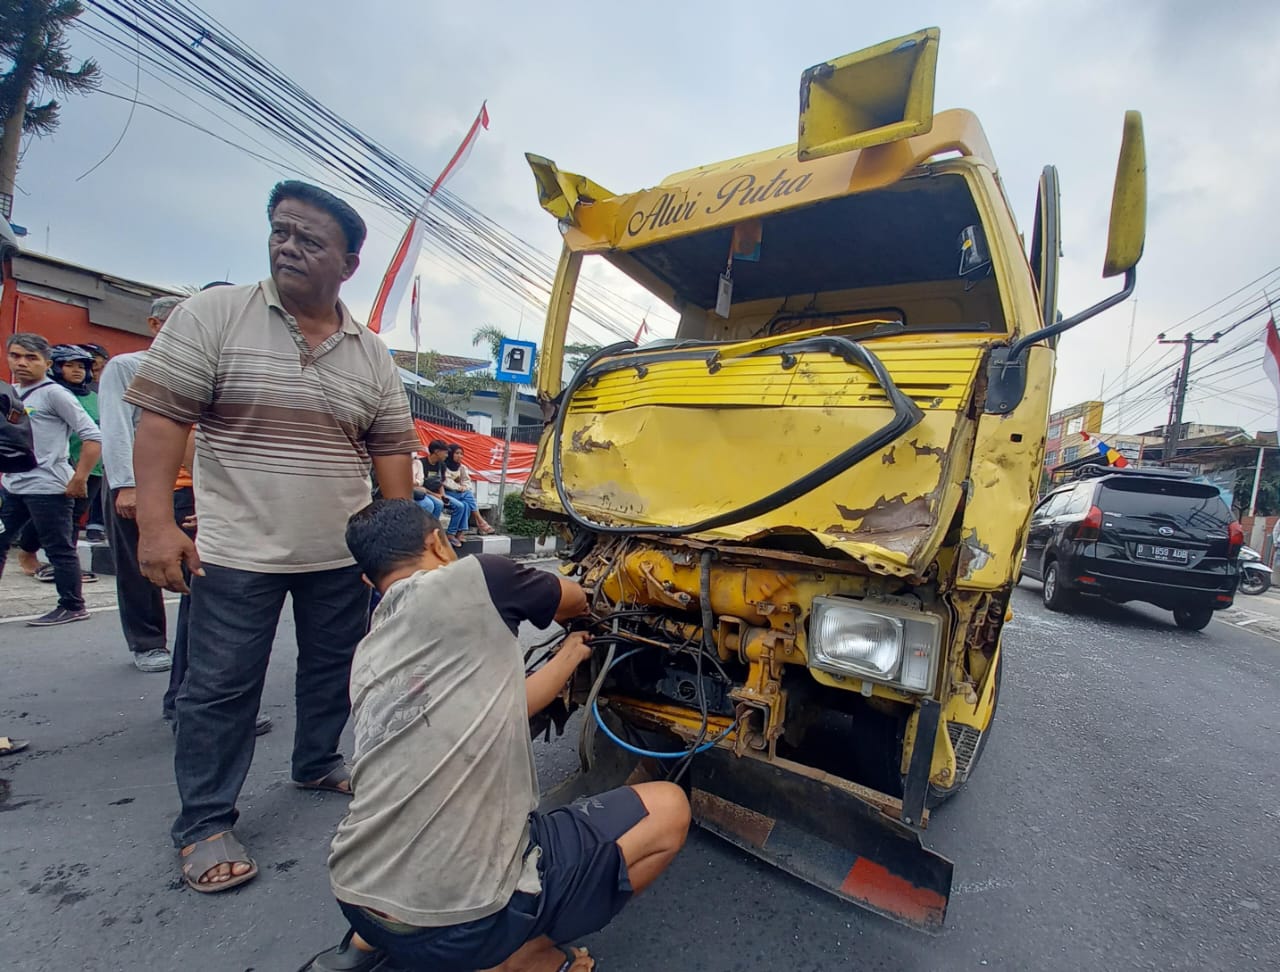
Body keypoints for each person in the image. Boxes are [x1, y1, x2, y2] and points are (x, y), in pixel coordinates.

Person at [125, 180, 420, 893]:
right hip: (236, 550)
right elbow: (164, 419)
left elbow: (390, 460)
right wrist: (158, 526)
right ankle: (204, 822)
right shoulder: (215, 315)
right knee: (220, 689)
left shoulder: (370, 353)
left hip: (338, 556)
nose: (288, 246)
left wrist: (397, 559)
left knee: (336, 672)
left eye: (309, 239)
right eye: (281, 231)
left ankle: (318, 760)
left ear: (348, 265)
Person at [311, 500, 689, 972]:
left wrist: (569, 657)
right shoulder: (478, 577)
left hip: (357, 898)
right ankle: (517, 958)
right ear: (438, 542)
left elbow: (504, 706)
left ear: (370, 581)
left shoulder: (375, 646)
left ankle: (378, 946)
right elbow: (574, 598)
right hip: (467, 923)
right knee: (669, 807)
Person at [0, 334, 102, 626]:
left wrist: (79, 478)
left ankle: (72, 605)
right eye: (16, 356)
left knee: (58, 548)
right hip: (14, 485)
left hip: (49, 487)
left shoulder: (55, 394)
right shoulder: (11, 392)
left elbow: (93, 436)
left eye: (31, 358)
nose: (22, 363)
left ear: (47, 363)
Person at [16, 344, 102, 580]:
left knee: (75, 516)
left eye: (82, 366)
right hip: (62, 464)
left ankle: (66, 567)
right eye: (70, 365)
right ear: (55, 367)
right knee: (48, 517)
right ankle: (31, 554)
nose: (77, 371)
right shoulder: (55, 394)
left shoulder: (96, 396)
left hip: (93, 466)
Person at [443, 443, 494, 545]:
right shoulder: (443, 466)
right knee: (468, 496)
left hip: (460, 493)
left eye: (461, 454)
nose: (460, 456)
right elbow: (445, 481)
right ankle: (480, 520)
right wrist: (458, 487)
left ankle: (458, 533)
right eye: (457, 453)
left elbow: (467, 481)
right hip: (447, 493)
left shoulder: (462, 467)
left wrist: (463, 487)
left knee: (466, 504)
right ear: (450, 454)